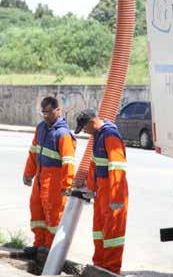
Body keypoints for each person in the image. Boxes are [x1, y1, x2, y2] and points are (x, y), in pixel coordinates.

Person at [74, 109, 128, 275]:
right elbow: (94, 166)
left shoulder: (109, 136)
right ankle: (100, 266)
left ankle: (111, 270)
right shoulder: (98, 137)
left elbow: (117, 168)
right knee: (99, 231)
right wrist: (91, 188)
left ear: (91, 122)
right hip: (102, 192)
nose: (84, 132)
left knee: (112, 234)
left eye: (84, 128)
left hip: (113, 193)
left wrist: (116, 198)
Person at [23, 96, 76, 254]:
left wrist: (67, 185)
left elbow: (69, 162)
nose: (46, 116)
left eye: (49, 112)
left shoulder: (63, 134)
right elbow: (33, 152)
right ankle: (39, 243)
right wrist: (28, 173)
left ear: (58, 111)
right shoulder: (41, 128)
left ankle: (49, 248)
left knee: (53, 214)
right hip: (40, 176)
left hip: (55, 179)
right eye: (43, 112)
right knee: (37, 210)